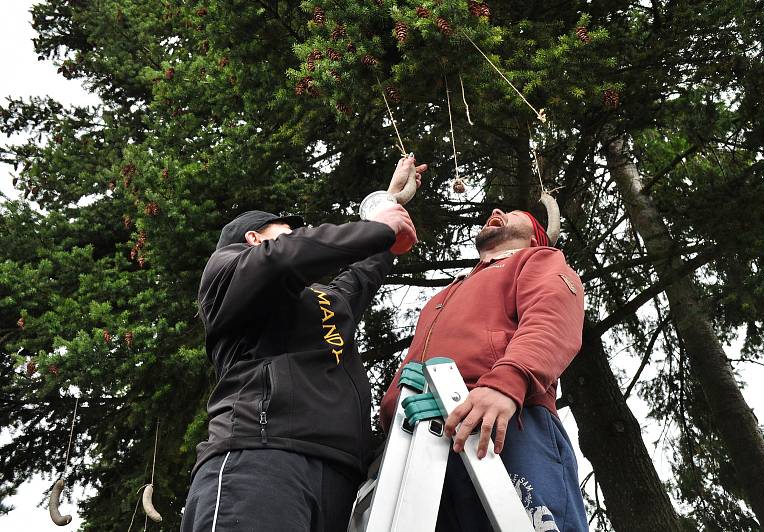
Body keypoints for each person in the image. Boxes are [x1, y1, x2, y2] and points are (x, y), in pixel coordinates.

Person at [181, 157, 427, 532]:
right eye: (287, 228)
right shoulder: (228, 271)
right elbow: (281, 259)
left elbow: (361, 273)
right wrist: (374, 228)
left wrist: (389, 204)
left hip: (338, 475)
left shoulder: (324, 299)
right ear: (254, 237)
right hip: (261, 458)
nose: (301, 232)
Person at [379, 208, 589, 532]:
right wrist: (394, 412)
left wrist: (507, 382)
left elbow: (551, 316)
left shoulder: (538, 259)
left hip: (508, 420)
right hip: (423, 441)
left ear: (535, 236)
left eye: (513, 213)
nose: (495, 211)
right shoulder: (442, 296)